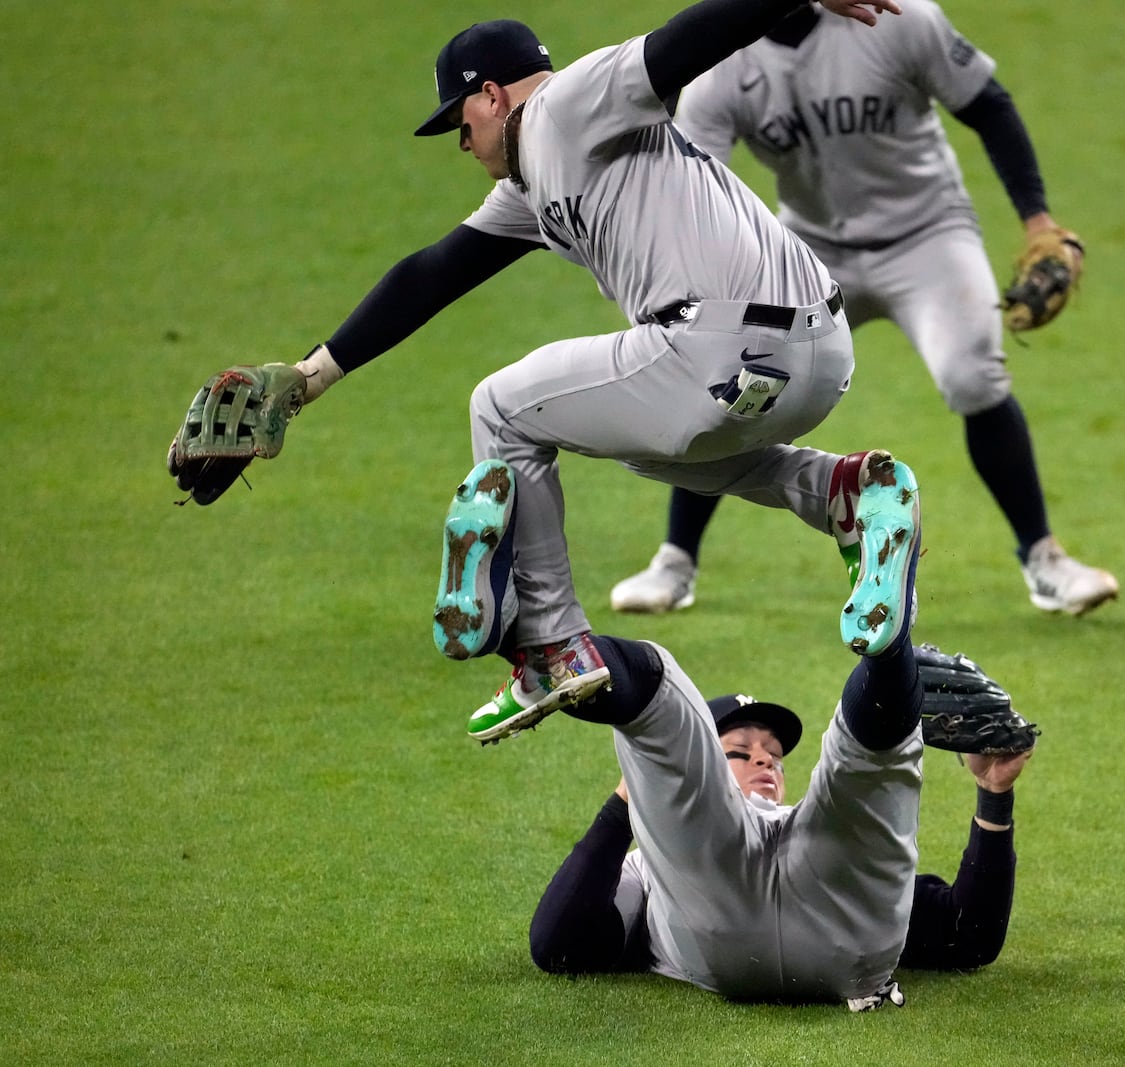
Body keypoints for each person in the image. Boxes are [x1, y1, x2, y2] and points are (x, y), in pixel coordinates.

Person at [172, 0, 910, 742]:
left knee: (501, 406)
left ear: (493, 93)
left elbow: (688, 40)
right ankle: (843, 492)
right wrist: (309, 378)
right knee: (643, 448)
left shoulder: (568, 104)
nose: (459, 141)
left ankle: (552, 643)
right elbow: (435, 271)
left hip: (722, 342)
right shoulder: (532, 180)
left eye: (459, 120)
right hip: (814, 350)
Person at [609, 0, 1119, 619]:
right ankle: (675, 560)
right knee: (737, 379)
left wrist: (1038, 219)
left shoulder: (899, 17)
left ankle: (1045, 559)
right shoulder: (722, 65)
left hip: (928, 236)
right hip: (809, 250)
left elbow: (989, 105)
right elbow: (694, 187)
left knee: (972, 374)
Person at [524, 458, 1032, 1006]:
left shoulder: (809, 826)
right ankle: (552, 648)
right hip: (772, 918)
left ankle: (887, 646)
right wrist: (636, 793)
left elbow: (967, 935)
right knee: (660, 704)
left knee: (863, 761)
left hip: (819, 896)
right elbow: (561, 944)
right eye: (739, 752)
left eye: (772, 754)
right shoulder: (652, 857)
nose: (764, 760)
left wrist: (995, 793)